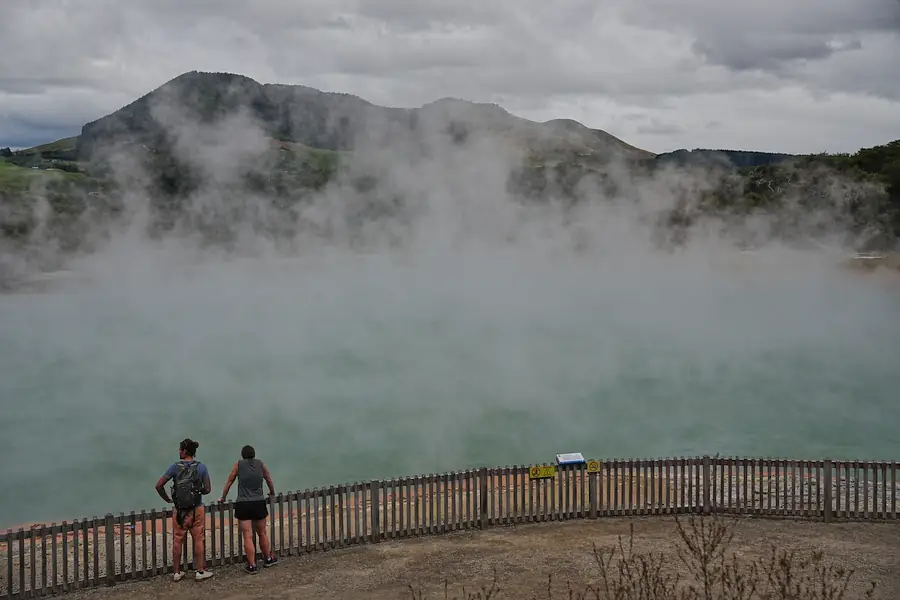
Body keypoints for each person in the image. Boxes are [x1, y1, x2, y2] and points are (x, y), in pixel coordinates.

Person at [155, 438, 214, 581]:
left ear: (184, 451)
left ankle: (176, 572)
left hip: (179, 510)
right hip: (196, 509)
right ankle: (200, 572)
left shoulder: (175, 467)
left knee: (178, 540)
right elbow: (208, 489)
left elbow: (159, 485)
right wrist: (197, 492)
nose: (178, 451)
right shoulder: (201, 467)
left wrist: (168, 499)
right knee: (198, 539)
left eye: (180, 449)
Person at [218, 444, 278, 574]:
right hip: (258, 502)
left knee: (248, 536)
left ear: (242, 455)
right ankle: (268, 558)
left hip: (243, 503)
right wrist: (272, 492)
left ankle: (252, 565)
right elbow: (268, 479)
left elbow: (229, 481)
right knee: (262, 533)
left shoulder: (238, 465)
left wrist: (223, 497)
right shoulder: (260, 464)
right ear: (254, 454)